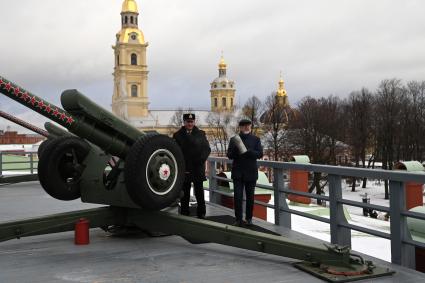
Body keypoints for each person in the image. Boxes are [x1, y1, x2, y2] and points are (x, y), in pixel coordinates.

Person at [173, 113, 211, 219]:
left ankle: (201, 212)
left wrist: (201, 160)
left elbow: (207, 149)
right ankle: (185, 213)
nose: (190, 124)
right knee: (185, 192)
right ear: (184, 122)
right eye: (188, 122)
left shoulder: (201, 134)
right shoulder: (177, 135)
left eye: (191, 122)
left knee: (199, 192)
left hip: (197, 166)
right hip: (185, 167)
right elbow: (175, 151)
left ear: (194, 122)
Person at [227, 119, 263, 226]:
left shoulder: (256, 139)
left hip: (251, 172)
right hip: (238, 172)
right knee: (237, 197)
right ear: (240, 127)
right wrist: (236, 151)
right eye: (244, 126)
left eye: (248, 125)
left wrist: (249, 151)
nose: (247, 127)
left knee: (250, 197)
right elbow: (229, 155)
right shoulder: (234, 139)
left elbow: (260, 154)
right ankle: (238, 219)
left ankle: (249, 218)